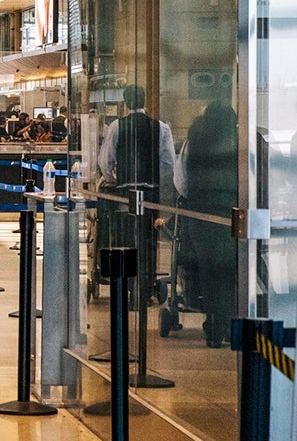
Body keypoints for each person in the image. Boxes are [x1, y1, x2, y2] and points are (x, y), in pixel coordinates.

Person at [97, 84, 178, 314]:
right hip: (150, 193)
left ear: (125, 102)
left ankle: (130, 286)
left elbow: (105, 160)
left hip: (126, 192)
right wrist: (152, 176)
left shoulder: (117, 126)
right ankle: (147, 285)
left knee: (127, 238)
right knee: (149, 239)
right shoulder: (161, 127)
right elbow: (169, 162)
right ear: (145, 101)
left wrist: (114, 178)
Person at [178, 97, 238, 347]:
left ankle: (213, 325)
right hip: (233, 215)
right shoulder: (240, 140)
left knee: (208, 270)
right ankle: (229, 324)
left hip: (200, 215)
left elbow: (181, 182)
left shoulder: (193, 141)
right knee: (230, 271)